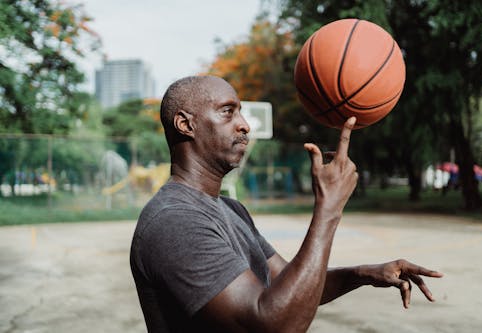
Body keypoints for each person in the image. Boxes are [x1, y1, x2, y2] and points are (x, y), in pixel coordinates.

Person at [130, 75, 443, 333]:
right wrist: (329, 208)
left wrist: (362, 274)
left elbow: (285, 286)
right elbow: (273, 324)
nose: (244, 125)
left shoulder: (230, 209)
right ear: (186, 124)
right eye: (227, 112)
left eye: (240, 112)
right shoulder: (175, 221)